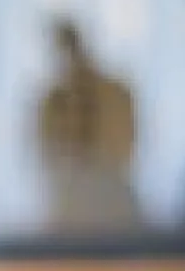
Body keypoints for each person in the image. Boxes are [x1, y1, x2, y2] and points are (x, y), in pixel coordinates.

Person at [35, 18, 142, 233]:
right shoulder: (52, 100)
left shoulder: (116, 93)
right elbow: (44, 154)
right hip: (69, 206)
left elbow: (126, 144)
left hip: (113, 202)